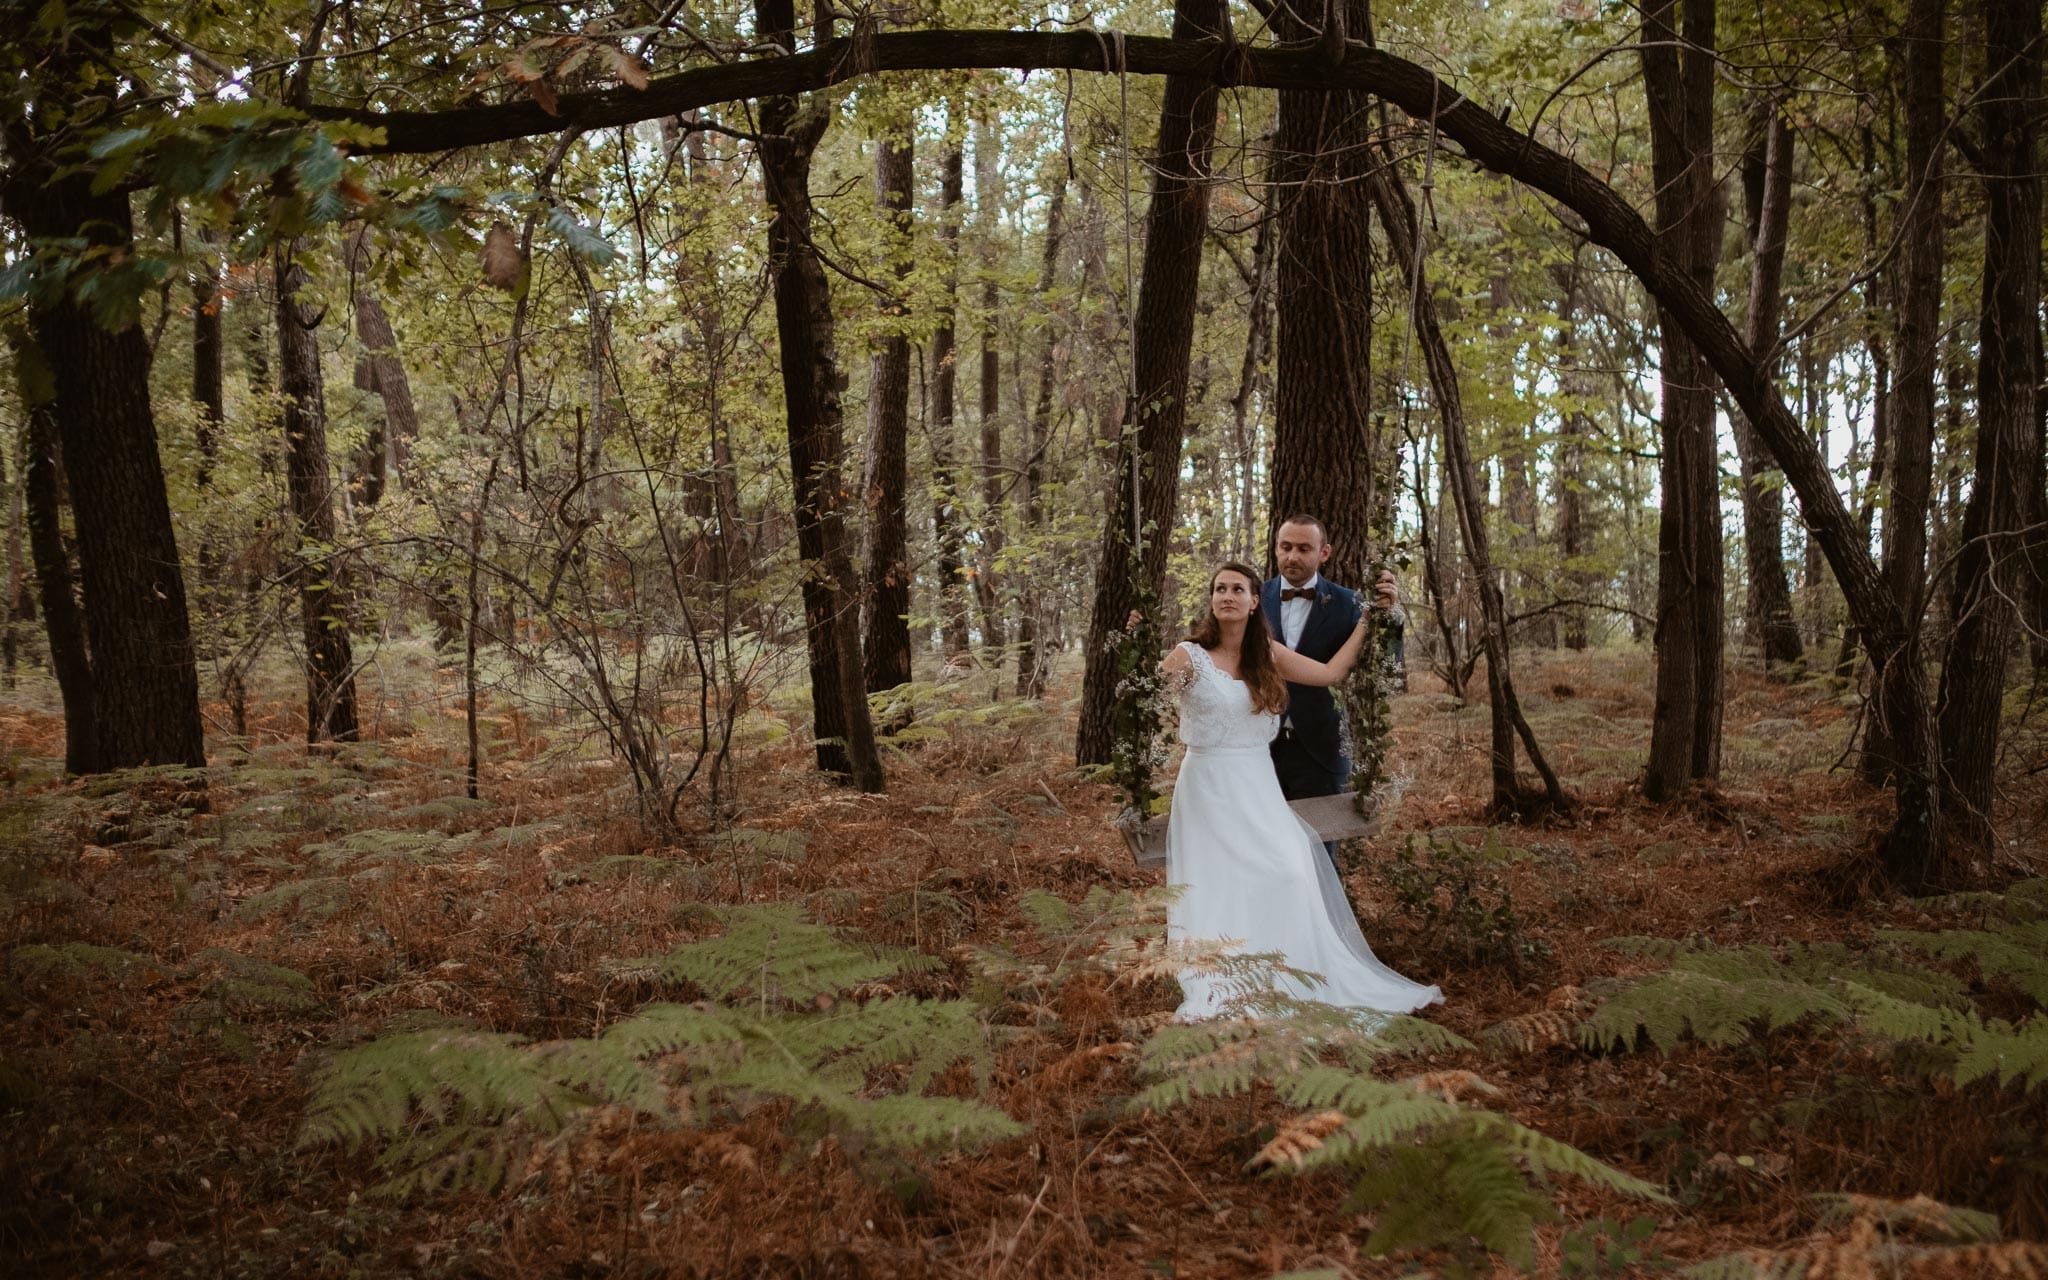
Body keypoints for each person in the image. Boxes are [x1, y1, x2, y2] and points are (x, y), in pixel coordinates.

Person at [1156, 561, 1442, 1022]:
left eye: (1238, 589)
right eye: (1219, 589)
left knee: (1288, 869)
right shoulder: (1188, 655)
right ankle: (1223, 972)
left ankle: (1284, 969)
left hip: (1256, 783)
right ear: (1212, 600)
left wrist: (1367, 621)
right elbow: (1148, 698)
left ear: (1255, 601)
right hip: (1206, 786)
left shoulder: (1266, 654)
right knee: (1216, 881)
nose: (1227, 596)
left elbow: (1330, 674)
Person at [1262, 516, 1362, 868]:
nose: (1292, 556)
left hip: (1320, 750)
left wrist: (1390, 618)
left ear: (1324, 553)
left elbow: (1383, 662)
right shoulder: (1252, 599)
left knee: (1319, 858)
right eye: (1285, 547)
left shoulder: (1349, 604)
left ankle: (1321, 924)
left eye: (1304, 549)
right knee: (1264, 854)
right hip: (1257, 751)